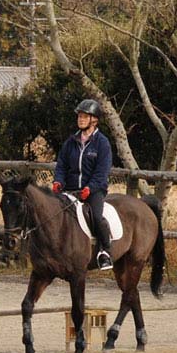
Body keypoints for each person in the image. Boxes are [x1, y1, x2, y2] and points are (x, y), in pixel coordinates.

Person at [51, 98, 115, 270]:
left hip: (93, 191)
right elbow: (62, 165)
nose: (80, 119)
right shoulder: (70, 142)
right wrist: (58, 181)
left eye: (84, 116)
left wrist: (90, 188)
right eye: (79, 116)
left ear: (94, 120)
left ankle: (105, 252)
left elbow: (102, 172)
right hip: (70, 190)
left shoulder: (102, 144)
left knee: (96, 216)